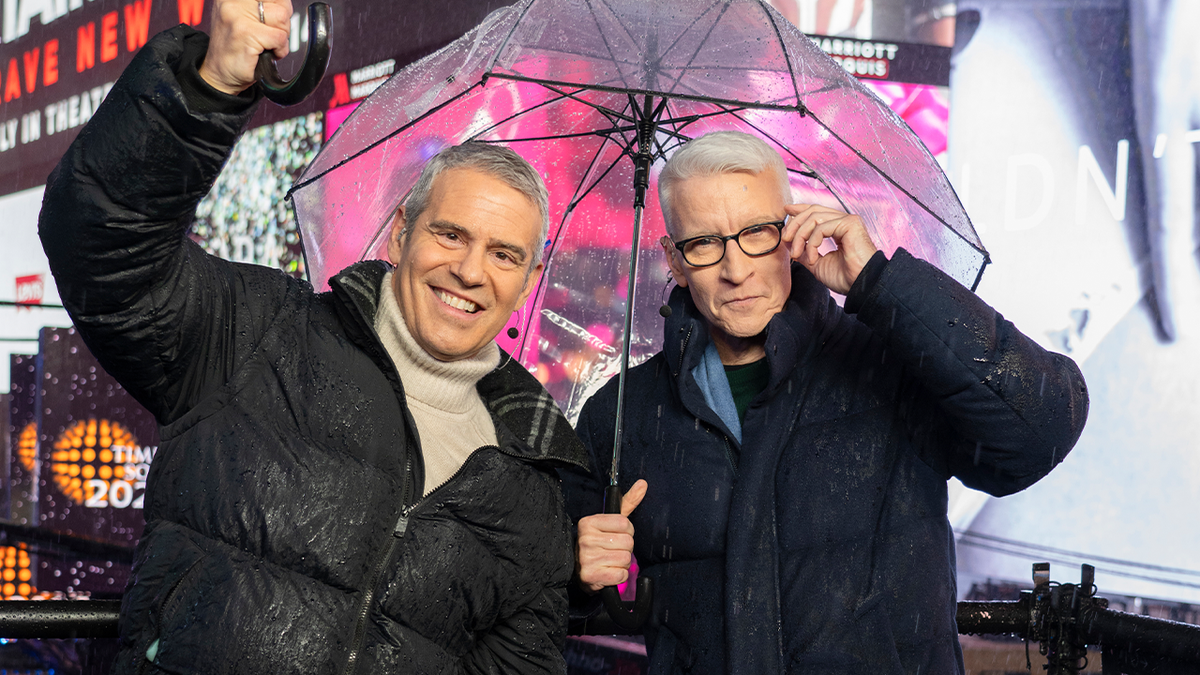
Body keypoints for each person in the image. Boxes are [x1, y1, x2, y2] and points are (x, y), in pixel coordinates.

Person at [38, 1, 587, 673]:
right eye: (451, 234)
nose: (471, 271)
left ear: (528, 280)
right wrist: (206, 86)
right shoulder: (257, 331)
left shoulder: (529, 481)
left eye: (504, 254)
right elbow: (100, 240)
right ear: (401, 233)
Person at [560, 131, 1089, 674]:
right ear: (674, 260)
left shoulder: (889, 366)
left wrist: (879, 282)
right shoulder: (619, 413)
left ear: (791, 233)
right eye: (704, 244)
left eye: (757, 233)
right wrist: (579, 573)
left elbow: (1040, 428)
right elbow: (544, 601)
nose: (736, 270)